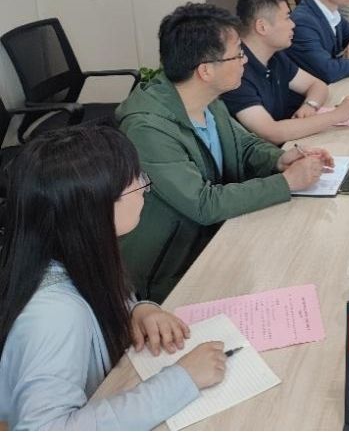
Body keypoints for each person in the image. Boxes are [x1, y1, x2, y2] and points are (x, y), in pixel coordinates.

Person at [0, 126, 228, 429]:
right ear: (94, 209)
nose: (144, 187)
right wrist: (181, 380)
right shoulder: (53, 315)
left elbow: (107, 298)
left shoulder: (75, 254)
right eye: (135, 182)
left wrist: (138, 310)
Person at [117, 3, 332, 301]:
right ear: (205, 70)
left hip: (217, 238)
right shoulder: (147, 128)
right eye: (238, 54)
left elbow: (244, 146)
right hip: (170, 270)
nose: (245, 61)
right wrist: (286, 182)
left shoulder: (208, 100)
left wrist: (281, 159)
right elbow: (203, 203)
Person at [223, 0, 349, 146]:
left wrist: (310, 105)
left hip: (293, 143)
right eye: (287, 18)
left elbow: (317, 85)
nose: (293, 24)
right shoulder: (236, 71)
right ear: (262, 27)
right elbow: (271, 133)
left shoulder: (275, 56)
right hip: (272, 155)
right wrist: (338, 115)